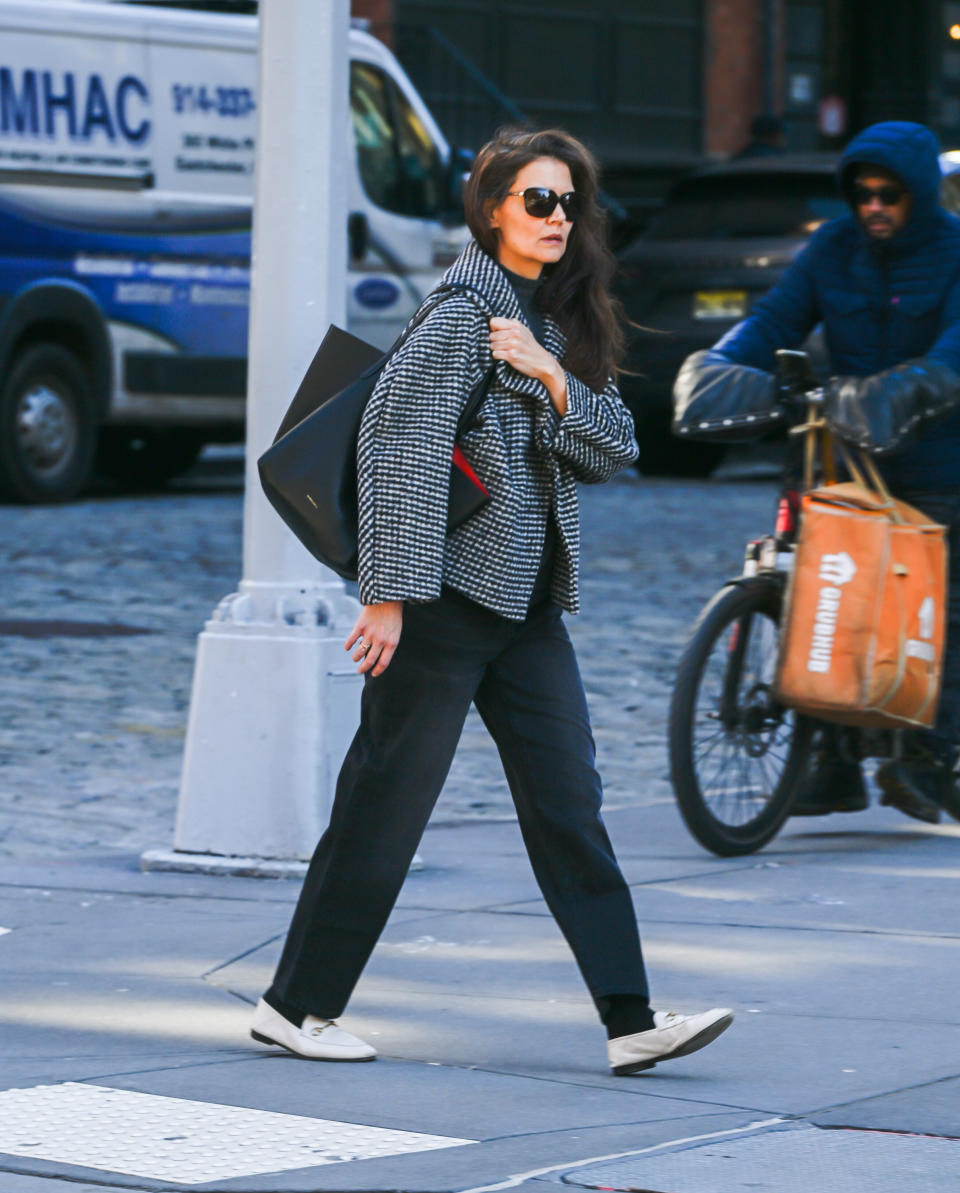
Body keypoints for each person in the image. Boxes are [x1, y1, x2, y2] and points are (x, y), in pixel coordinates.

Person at [250, 127, 733, 1076]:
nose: (558, 219)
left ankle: (629, 1017)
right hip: (441, 602)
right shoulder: (461, 313)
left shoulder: (543, 322)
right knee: (385, 806)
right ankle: (294, 1006)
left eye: (569, 204)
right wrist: (387, 593)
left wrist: (553, 378)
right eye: (537, 201)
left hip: (525, 610)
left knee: (570, 803)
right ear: (492, 209)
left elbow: (615, 447)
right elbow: (400, 454)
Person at [673, 120, 960, 825]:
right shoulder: (830, 248)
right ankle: (831, 762)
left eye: (889, 194)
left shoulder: (956, 250)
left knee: (938, 605)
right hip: (838, 447)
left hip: (934, 457)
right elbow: (770, 322)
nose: (873, 207)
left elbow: (955, 353)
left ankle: (930, 753)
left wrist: (907, 387)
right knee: (817, 590)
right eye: (861, 194)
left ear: (919, 194)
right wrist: (721, 366)